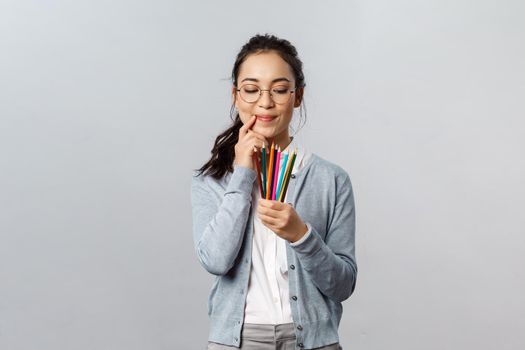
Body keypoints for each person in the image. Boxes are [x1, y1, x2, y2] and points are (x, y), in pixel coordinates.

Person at [191, 33, 357, 350]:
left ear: (297, 96)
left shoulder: (331, 179)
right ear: (235, 95)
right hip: (237, 341)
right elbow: (215, 260)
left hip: (313, 341)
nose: (265, 103)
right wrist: (241, 173)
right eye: (252, 90)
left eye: (279, 90)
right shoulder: (213, 180)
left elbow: (343, 284)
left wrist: (302, 236)